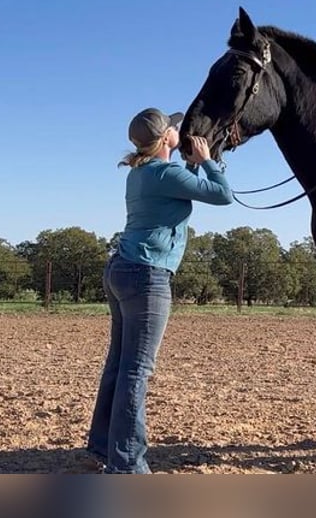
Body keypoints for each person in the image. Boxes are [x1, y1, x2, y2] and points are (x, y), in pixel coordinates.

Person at [85, 107, 232, 474]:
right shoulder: (165, 173)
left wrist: (197, 164)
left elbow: (183, 186)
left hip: (121, 269)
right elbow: (222, 195)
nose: (178, 129)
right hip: (147, 277)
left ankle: (104, 447)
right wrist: (209, 161)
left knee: (119, 365)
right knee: (136, 371)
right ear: (166, 136)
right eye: (174, 126)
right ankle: (127, 465)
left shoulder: (141, 172)